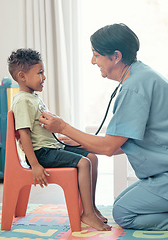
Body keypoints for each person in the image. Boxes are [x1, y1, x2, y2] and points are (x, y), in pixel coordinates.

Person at [38, 24, 168, 231]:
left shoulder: (134, 88)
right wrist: (81, 140)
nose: (93, 61)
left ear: (116, 56)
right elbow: (128, 141)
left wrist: (63, 127)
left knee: (123, 212)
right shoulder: (142, 75)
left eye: (96, 55)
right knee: (123, 200)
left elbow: (110, 148)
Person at [7, 48, 111, 231]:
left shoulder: (33, 98)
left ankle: (91, 208)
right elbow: (23, 134)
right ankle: (86, 213)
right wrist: (35, 165)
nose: (44, 77)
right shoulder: (22, 100)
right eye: (40, 73)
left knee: (92, 158)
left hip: (52, 148)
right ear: (22, 77)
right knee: (84, 163)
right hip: (42, 153)